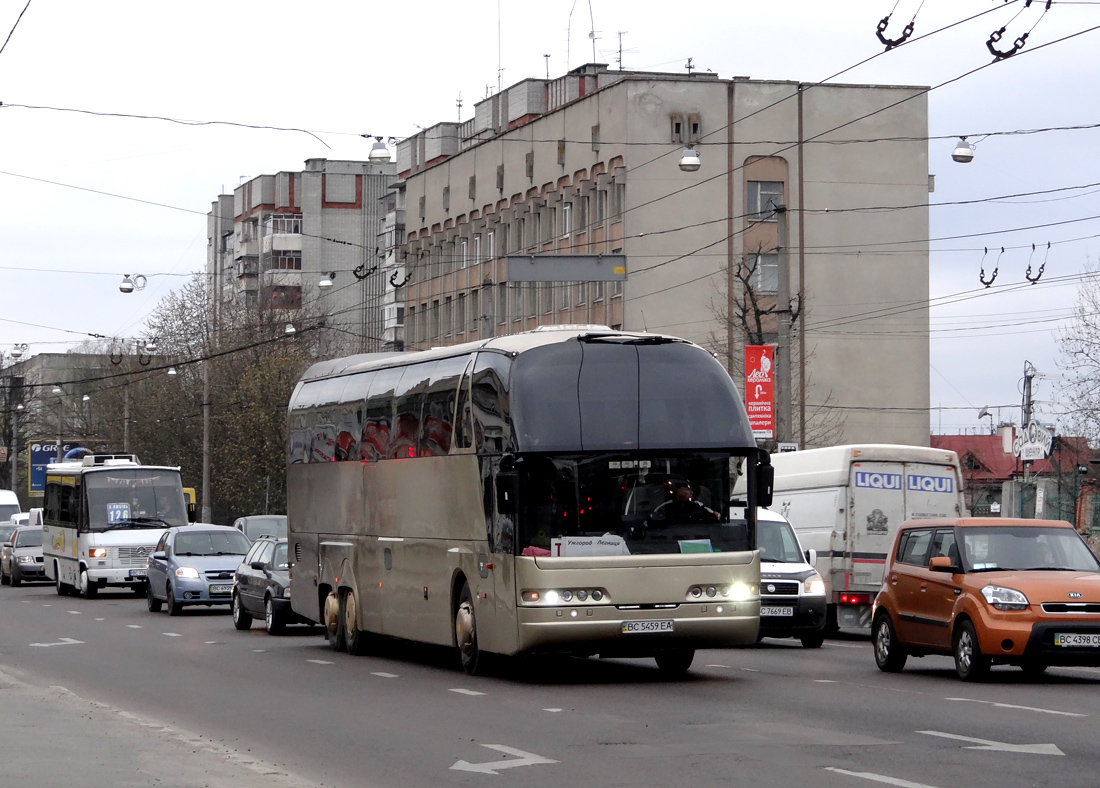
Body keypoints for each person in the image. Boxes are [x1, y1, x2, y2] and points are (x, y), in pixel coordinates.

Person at [650, 480, 720, 525]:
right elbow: (652, 521)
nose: (691, 492)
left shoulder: (697, 505)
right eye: (688, 490)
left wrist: (715, 515)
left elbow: (713, 515)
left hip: (695, 535)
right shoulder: (665, 507)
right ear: (678, 492)